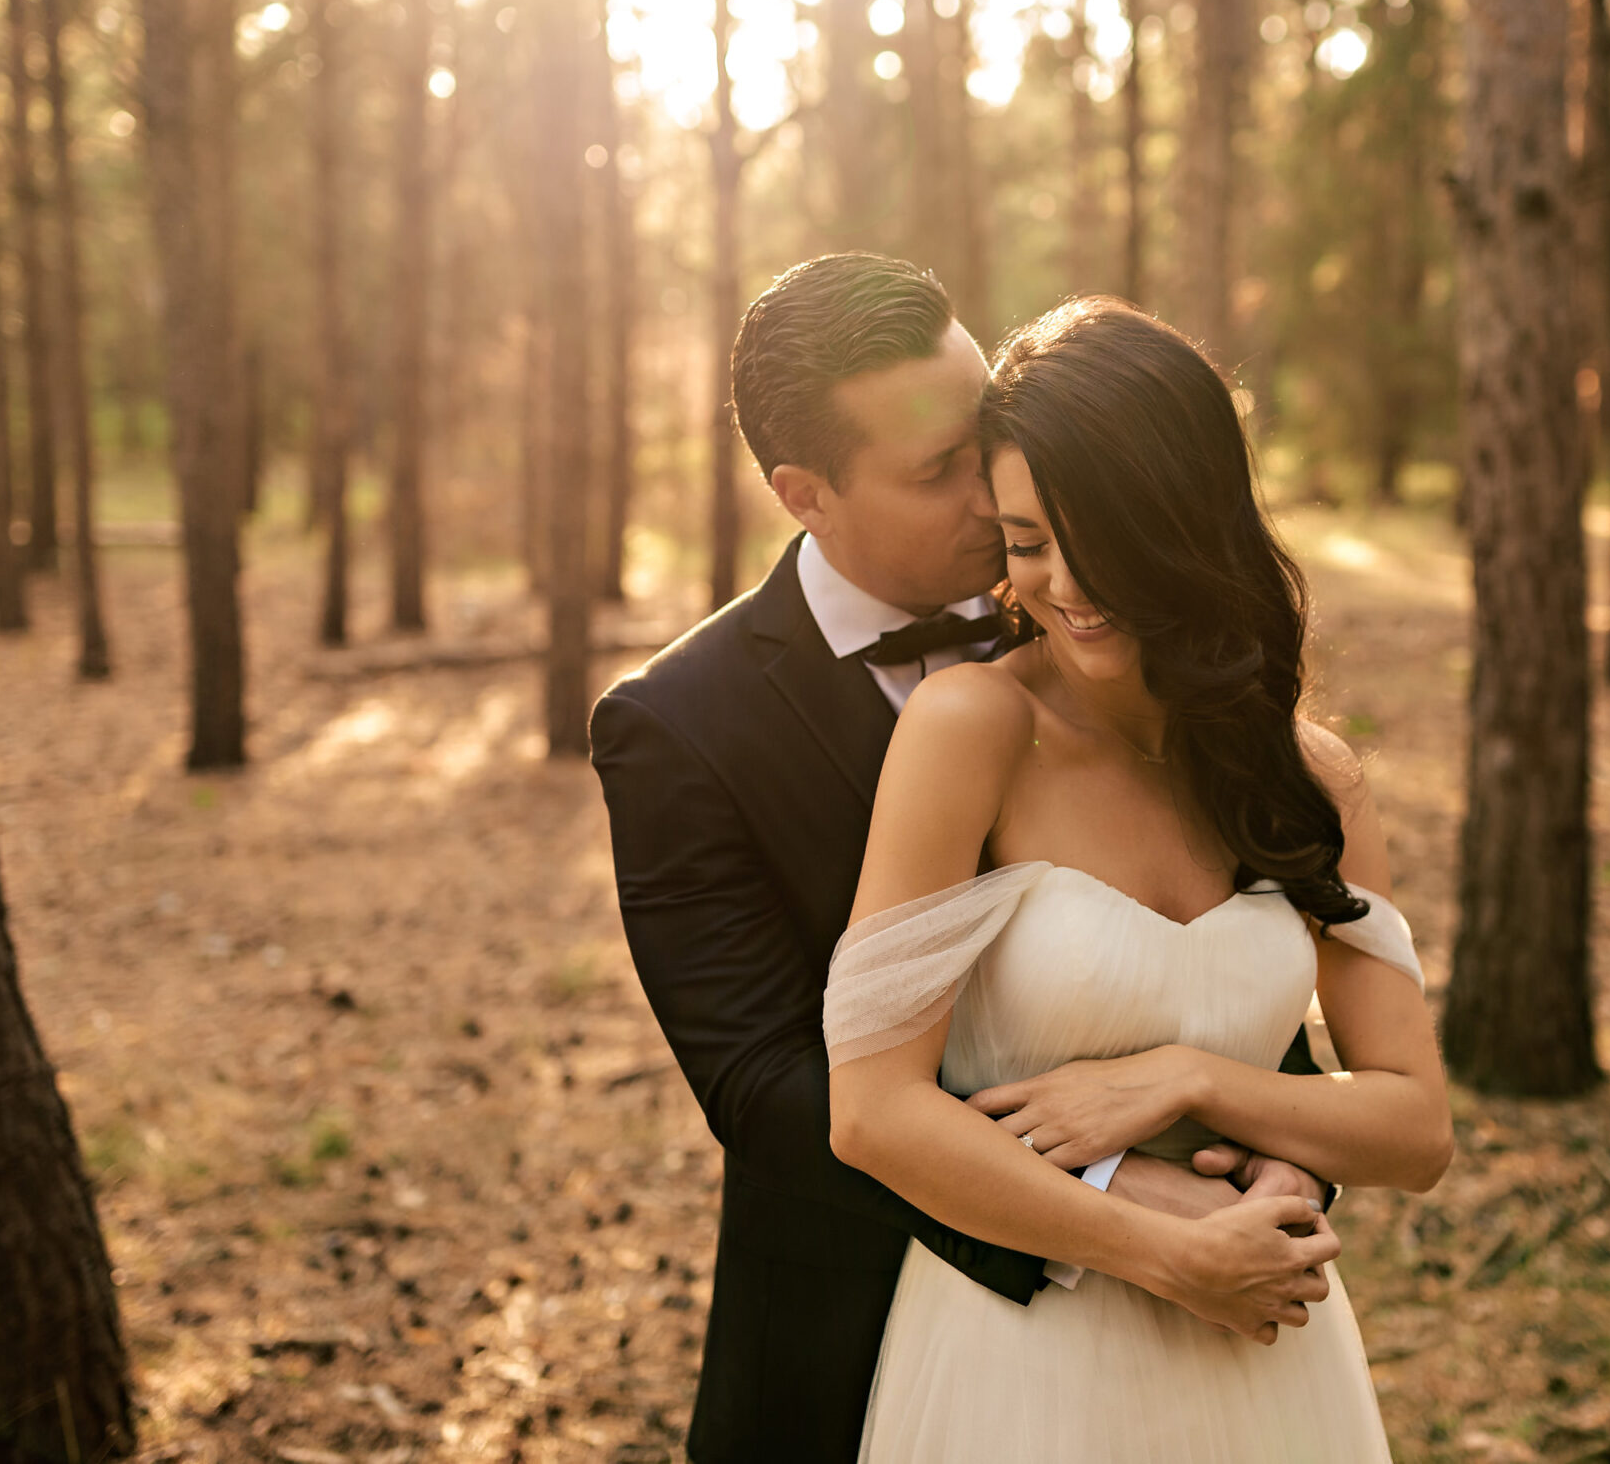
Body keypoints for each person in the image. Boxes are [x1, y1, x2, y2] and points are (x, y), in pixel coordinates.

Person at [589, 256, 1343, 1464]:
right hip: (850, 1325)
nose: (994, 500)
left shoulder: (1100, 609)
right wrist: (1107, 1193)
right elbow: (764, 1083)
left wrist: (1268, 1163)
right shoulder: (680, 726)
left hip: (1187, 1326)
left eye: (984, 429)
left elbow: (1211, 921)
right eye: (938, 471)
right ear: (805, 493)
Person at [825, 298, 1455, 1461]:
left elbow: (1414, 1124)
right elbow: (871, 1110)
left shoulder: (1308, 774)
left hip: (1273, 1367)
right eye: (1026, 541)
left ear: (1186, 516)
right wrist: (1161, 1249)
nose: (1066, 583)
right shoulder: (971, 728)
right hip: (1024, 1371)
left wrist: (1186, 1079)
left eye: (1097, 532)